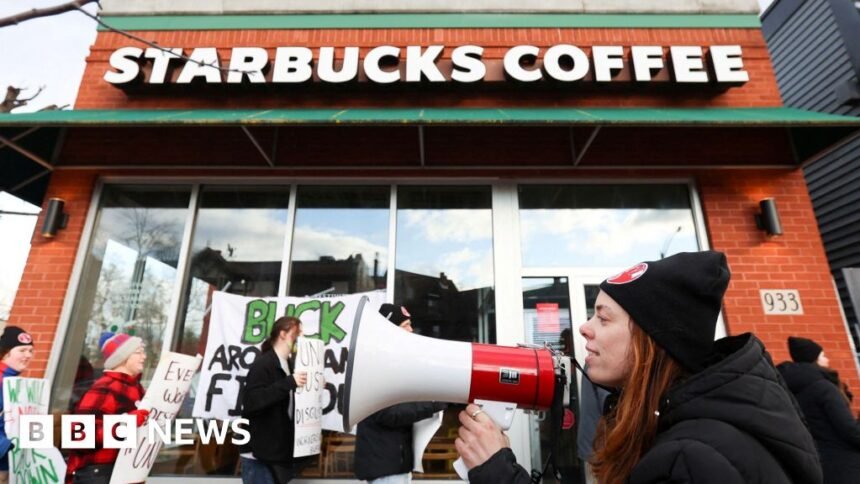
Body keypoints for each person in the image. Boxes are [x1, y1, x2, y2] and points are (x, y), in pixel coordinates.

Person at [455, 251, 823, 484]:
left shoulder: (690, 460)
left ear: (651, 340)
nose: (584, 328)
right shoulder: (683, 429)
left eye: (603, 318)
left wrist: (498, 473)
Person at [353, 304, 447, 484]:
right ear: (389, 330)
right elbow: (388, 413)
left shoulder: (389, 361)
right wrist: (431, 404)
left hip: (392, 464)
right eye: (405, 325)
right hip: (384, 469)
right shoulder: (375, 363)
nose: (411, 330)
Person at [66, 331, 150, 484]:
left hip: (124, 471)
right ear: (123, 357)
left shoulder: (137, 389)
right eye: (138, 352)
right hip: (98, 474)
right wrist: (126, 424)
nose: (144, 357)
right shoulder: (105, 388)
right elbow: (79, 436)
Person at [777, 336, 860, 484]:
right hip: (845, 464)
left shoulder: (789, 390)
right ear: (814, 360)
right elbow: (849, 430)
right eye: (823, 356)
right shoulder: (824, 388)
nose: (827, 360)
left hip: (816, 466)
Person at [241, 316, 307, 484]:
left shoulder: (288, 365)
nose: (300, 337)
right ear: (283, 334)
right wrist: (288, 383)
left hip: (275, 453)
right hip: (259, 457)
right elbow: (252, 402)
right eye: (297, 333)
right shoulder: (263, 364)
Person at [0, 326, 34, 484]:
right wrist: (8, 447)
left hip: (12, 466)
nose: (28, 355)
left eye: (30, 351)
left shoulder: (17, 383)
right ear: (6, 352)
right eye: (22, 350)